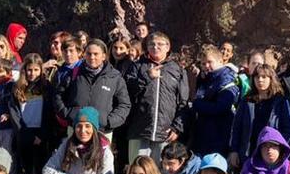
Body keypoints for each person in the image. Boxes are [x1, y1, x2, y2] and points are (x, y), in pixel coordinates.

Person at [125, 32, 189, 161]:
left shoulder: (177, 70)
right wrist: (147, 77)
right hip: (139, 130)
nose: (155, 47)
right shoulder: (137, 66)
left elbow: (184, 101)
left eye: (160, 44)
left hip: (164, 133)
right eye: (151, 44)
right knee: (138, 171)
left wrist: (177, 127)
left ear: (168, 47)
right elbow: (127, 92)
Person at [53, 40, 131, 136]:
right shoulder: (74, 73)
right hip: (76, 129)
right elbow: (58, 95)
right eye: (89, 54)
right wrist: (68, 114)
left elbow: (124, 104)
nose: (92, 57)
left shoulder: (114, 77)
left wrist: (109, 122)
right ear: (84, 55)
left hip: (102, 131)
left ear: (103, 56)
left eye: (96, 54)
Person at [230, 64, 290, 170]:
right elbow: (237, 127)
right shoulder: (247, 101)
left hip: (270, 153)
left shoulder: (280, 102)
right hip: (247, 152)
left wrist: (279, 149)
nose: (260, 80)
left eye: (264, 77)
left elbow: (288, 129)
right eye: (257, 77)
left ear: (271, 79)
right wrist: (234, 151)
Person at [10, 54, 50, 174]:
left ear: (41, 70)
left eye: (35, 70)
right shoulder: (18, 87)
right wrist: (26, 135)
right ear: (24, 70)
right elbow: (15, 114)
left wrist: (42, 136)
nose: (32, 73)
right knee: (24, 169)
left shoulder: (46, 87)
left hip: (40, 135)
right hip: (24, 134)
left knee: (40, 170)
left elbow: (49, 113)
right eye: (29, 70)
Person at [190, 44, 241, 157]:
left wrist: (197, 104)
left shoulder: (227, 80)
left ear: (220, 61)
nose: (206, 66)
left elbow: (221, 107)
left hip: (219, 136)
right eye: (203, 63)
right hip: (204, 135)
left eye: (210, 62)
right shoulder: (207, 79)